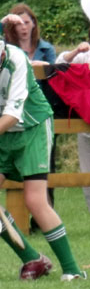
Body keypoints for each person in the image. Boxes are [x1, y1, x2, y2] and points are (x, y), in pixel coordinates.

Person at [0, 27, 86, 281]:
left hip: (33, 128)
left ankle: (73, 270)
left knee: (34, 200)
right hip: (1, 135)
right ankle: (32, 258)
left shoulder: (17, 60)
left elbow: (13, 115)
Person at [0, 3, 57, 231]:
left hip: (37, 116)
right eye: (17, 23)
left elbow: (55, 70)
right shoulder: (4, 49)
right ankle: (18, 230)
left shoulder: (45, 48)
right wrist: (0, 24)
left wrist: (46, 66)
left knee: (41, 180)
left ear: (34, 24)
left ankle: (41, 221)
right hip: (10, 119)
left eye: (27, 22)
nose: (23, 28)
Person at [55, 36, 90, 212]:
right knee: (87, 172)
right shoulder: (85, 55)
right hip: (85, 125)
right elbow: (58, 63)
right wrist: (77, 51)